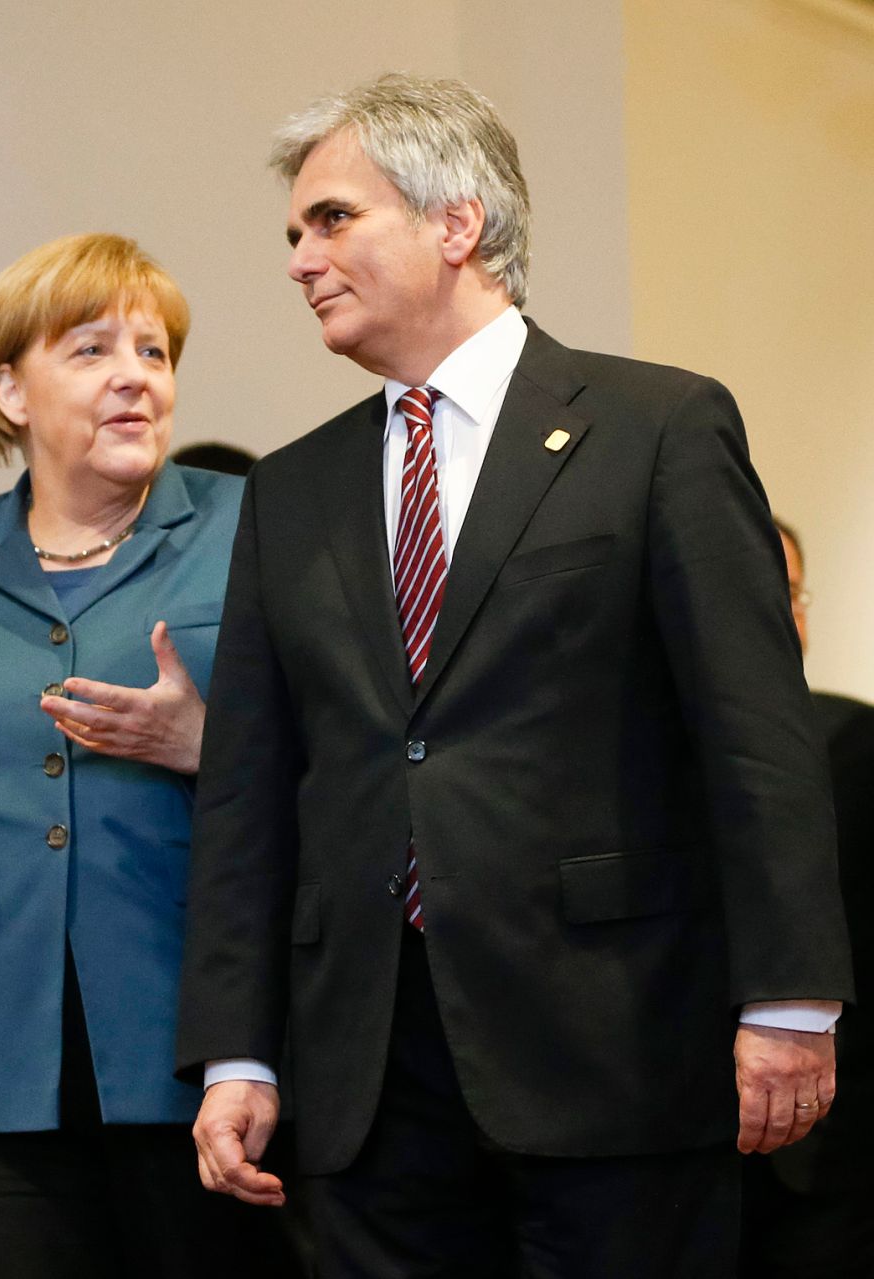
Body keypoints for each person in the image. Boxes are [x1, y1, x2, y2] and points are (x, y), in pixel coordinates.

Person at [175, 73, 853, 1277]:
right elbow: (247, 790)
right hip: (364, 1075)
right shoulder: (289, 491)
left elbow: (753, 735)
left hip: (612, 1047)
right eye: (292, 232)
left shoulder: (656, 429)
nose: (297, 260)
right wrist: (236, 1052)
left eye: (331, 219)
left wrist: (789, 1002)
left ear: (456, 222)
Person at [0, 233, 289, 1278]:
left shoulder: (253, 528)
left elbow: (348, 770)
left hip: (200, 1058)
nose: (134, 375)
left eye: (153, 352)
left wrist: (204, 747)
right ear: (10, 391)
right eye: (91, 349)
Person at [740, 519, 874, 1276]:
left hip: (831, 1161)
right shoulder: (616, 756)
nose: (779, 612)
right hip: (656, 1148)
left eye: (791, 592)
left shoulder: (861, 742)